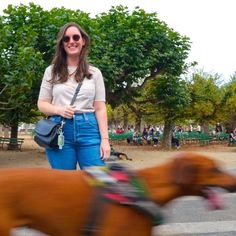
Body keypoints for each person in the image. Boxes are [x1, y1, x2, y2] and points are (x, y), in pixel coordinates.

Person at [37, 22, 110, 170]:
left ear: (83, 41)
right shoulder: (51, 71)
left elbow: (100, 108)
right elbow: (42, 104)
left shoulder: (95, 73)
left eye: (76, 37)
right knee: (64, 184)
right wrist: (60, 110)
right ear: (62, 44)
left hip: (89, 129)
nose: (71, 41)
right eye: (66, 39)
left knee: (98, 181)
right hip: (60, 130)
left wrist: (105, 140)